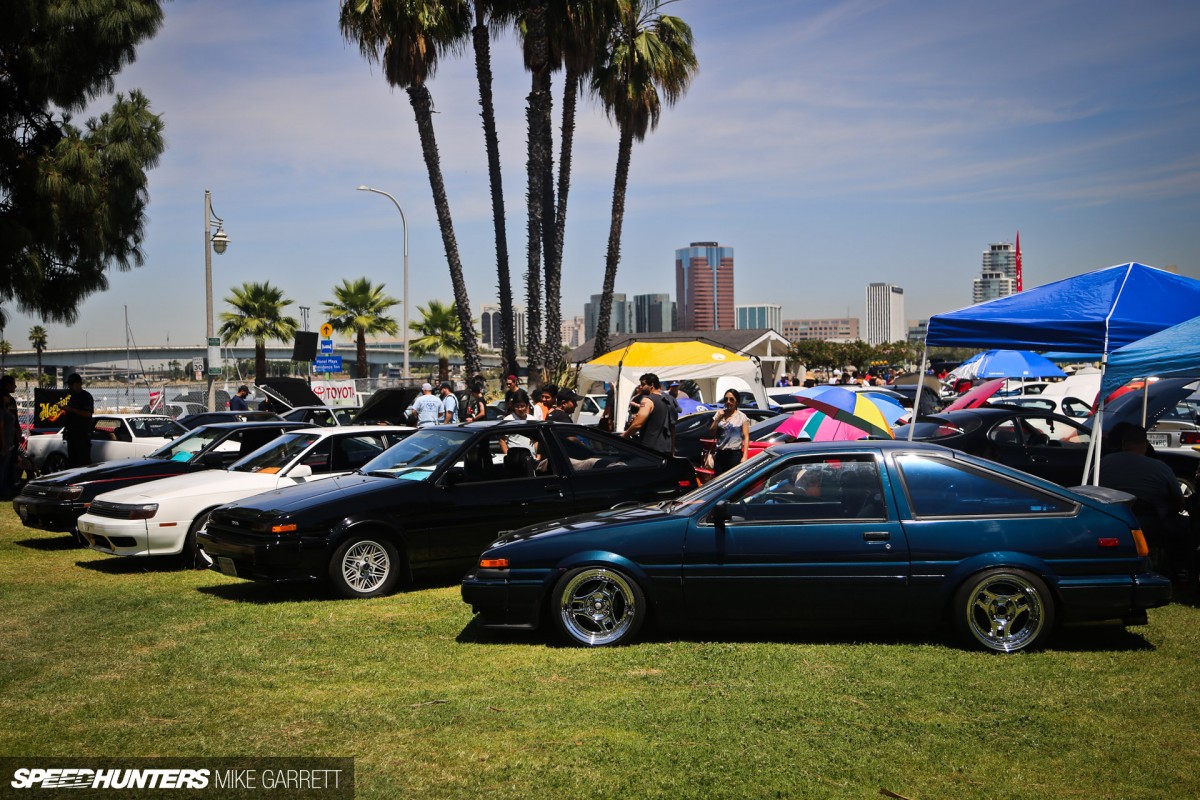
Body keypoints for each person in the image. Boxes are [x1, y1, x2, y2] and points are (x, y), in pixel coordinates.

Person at [1100, 424, 1188, 578]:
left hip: (1112, 522)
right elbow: (1179, 502)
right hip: (1152, 525)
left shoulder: (1103, 463)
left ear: (1123, 443)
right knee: (1184, 526)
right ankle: (1180, 570)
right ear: (1146, 444)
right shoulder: (1160, 467)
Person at [621, 373, 672, 457]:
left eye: (643, 384)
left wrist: (624, 435)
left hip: (650, 449)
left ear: (651, 385)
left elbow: (637, 425)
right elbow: (672, 426)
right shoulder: (668, 400)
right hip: (666, 448)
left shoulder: (647, 400)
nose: (641, 387)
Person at [708, 389, 750, 475]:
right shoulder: (719, 414)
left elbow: (746, 437)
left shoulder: (742, 417)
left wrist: (745, 456)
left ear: (737, 401)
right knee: (719, 480)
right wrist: (717, 420)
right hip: (720, 454)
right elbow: (711, 433)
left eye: (731, 399)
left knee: (733, 481)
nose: (728, 402)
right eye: (726, 399)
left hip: (734, 454)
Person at [62, 373, 95, 468]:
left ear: (78, 384)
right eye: (69, 385)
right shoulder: (71, 396)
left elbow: (88, 414)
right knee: (72, 462)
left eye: (71, 384)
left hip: (82, 435)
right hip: (72, 434)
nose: (70, 387)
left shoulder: (86, 396)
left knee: (83, 463)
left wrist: (70, 409)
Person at [499, 390, 538, 455]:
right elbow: (501, 440)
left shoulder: (532, 420)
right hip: (515, 460)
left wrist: (537, 455)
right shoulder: (508, 420)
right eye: (517, 406)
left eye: (522, 406)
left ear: (527, 405)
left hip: (531, 458)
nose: (520, 409)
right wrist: (508, 455)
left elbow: (536, 440)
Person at [0, 374, 18, 498]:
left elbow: (15, 419)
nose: (15, 386)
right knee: (3, 467)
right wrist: (4, 442)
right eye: (13, 384)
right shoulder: (2, 408)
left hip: (11, 439)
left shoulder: (11, 401)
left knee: (9, 466)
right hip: (5, 441)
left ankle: (9, 487)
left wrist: (18, 430)